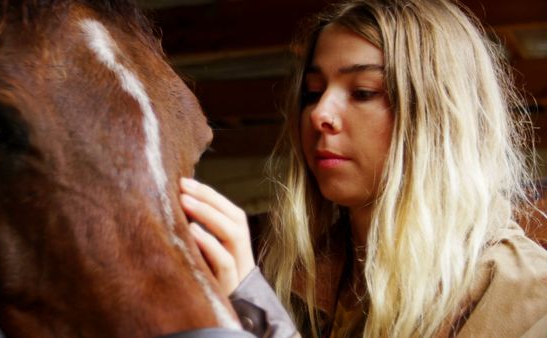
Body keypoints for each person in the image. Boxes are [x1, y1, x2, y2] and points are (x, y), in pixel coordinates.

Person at [180, 0, 547, 337]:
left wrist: (255, 307)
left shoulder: (526, 296)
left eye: (363, 92)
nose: (320, 113)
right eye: (312, 92)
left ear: (439, 116)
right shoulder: (281, 260)